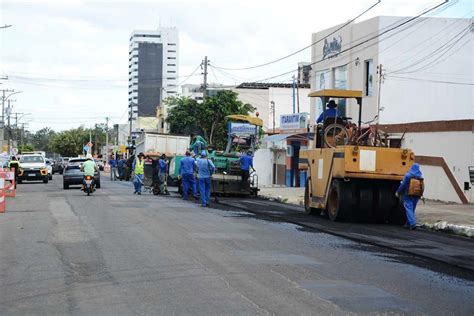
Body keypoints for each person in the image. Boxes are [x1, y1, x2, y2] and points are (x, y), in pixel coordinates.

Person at [396, 163, 423, 230]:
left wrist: (398, 191)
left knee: (408, 208)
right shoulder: (420, 176)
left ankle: (412, 223)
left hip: (408, 194)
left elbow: (403, 185)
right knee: (412, 209)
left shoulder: (408, 175)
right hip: (416, 195)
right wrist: (421, 194)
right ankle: (408, 224)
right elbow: (422, 186)